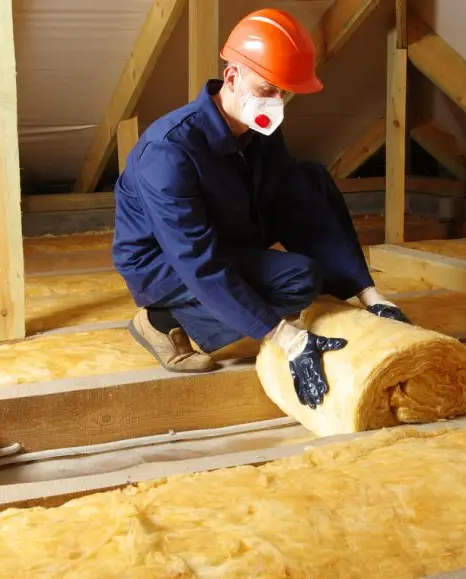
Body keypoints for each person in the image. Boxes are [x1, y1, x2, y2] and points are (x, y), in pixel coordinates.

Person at [112, 8, 409, 408]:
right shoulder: (168, 152)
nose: (278, 101)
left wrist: (370, 296)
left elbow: (295, 203)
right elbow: (197, 261)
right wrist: (287, 337)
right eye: (269, 89)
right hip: (163, 262)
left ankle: (360, 292)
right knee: (298, 278)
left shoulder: (260, 129)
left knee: (309, 179)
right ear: (231, 77)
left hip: (226, 226)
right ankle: (164, 320)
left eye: (286, 92)